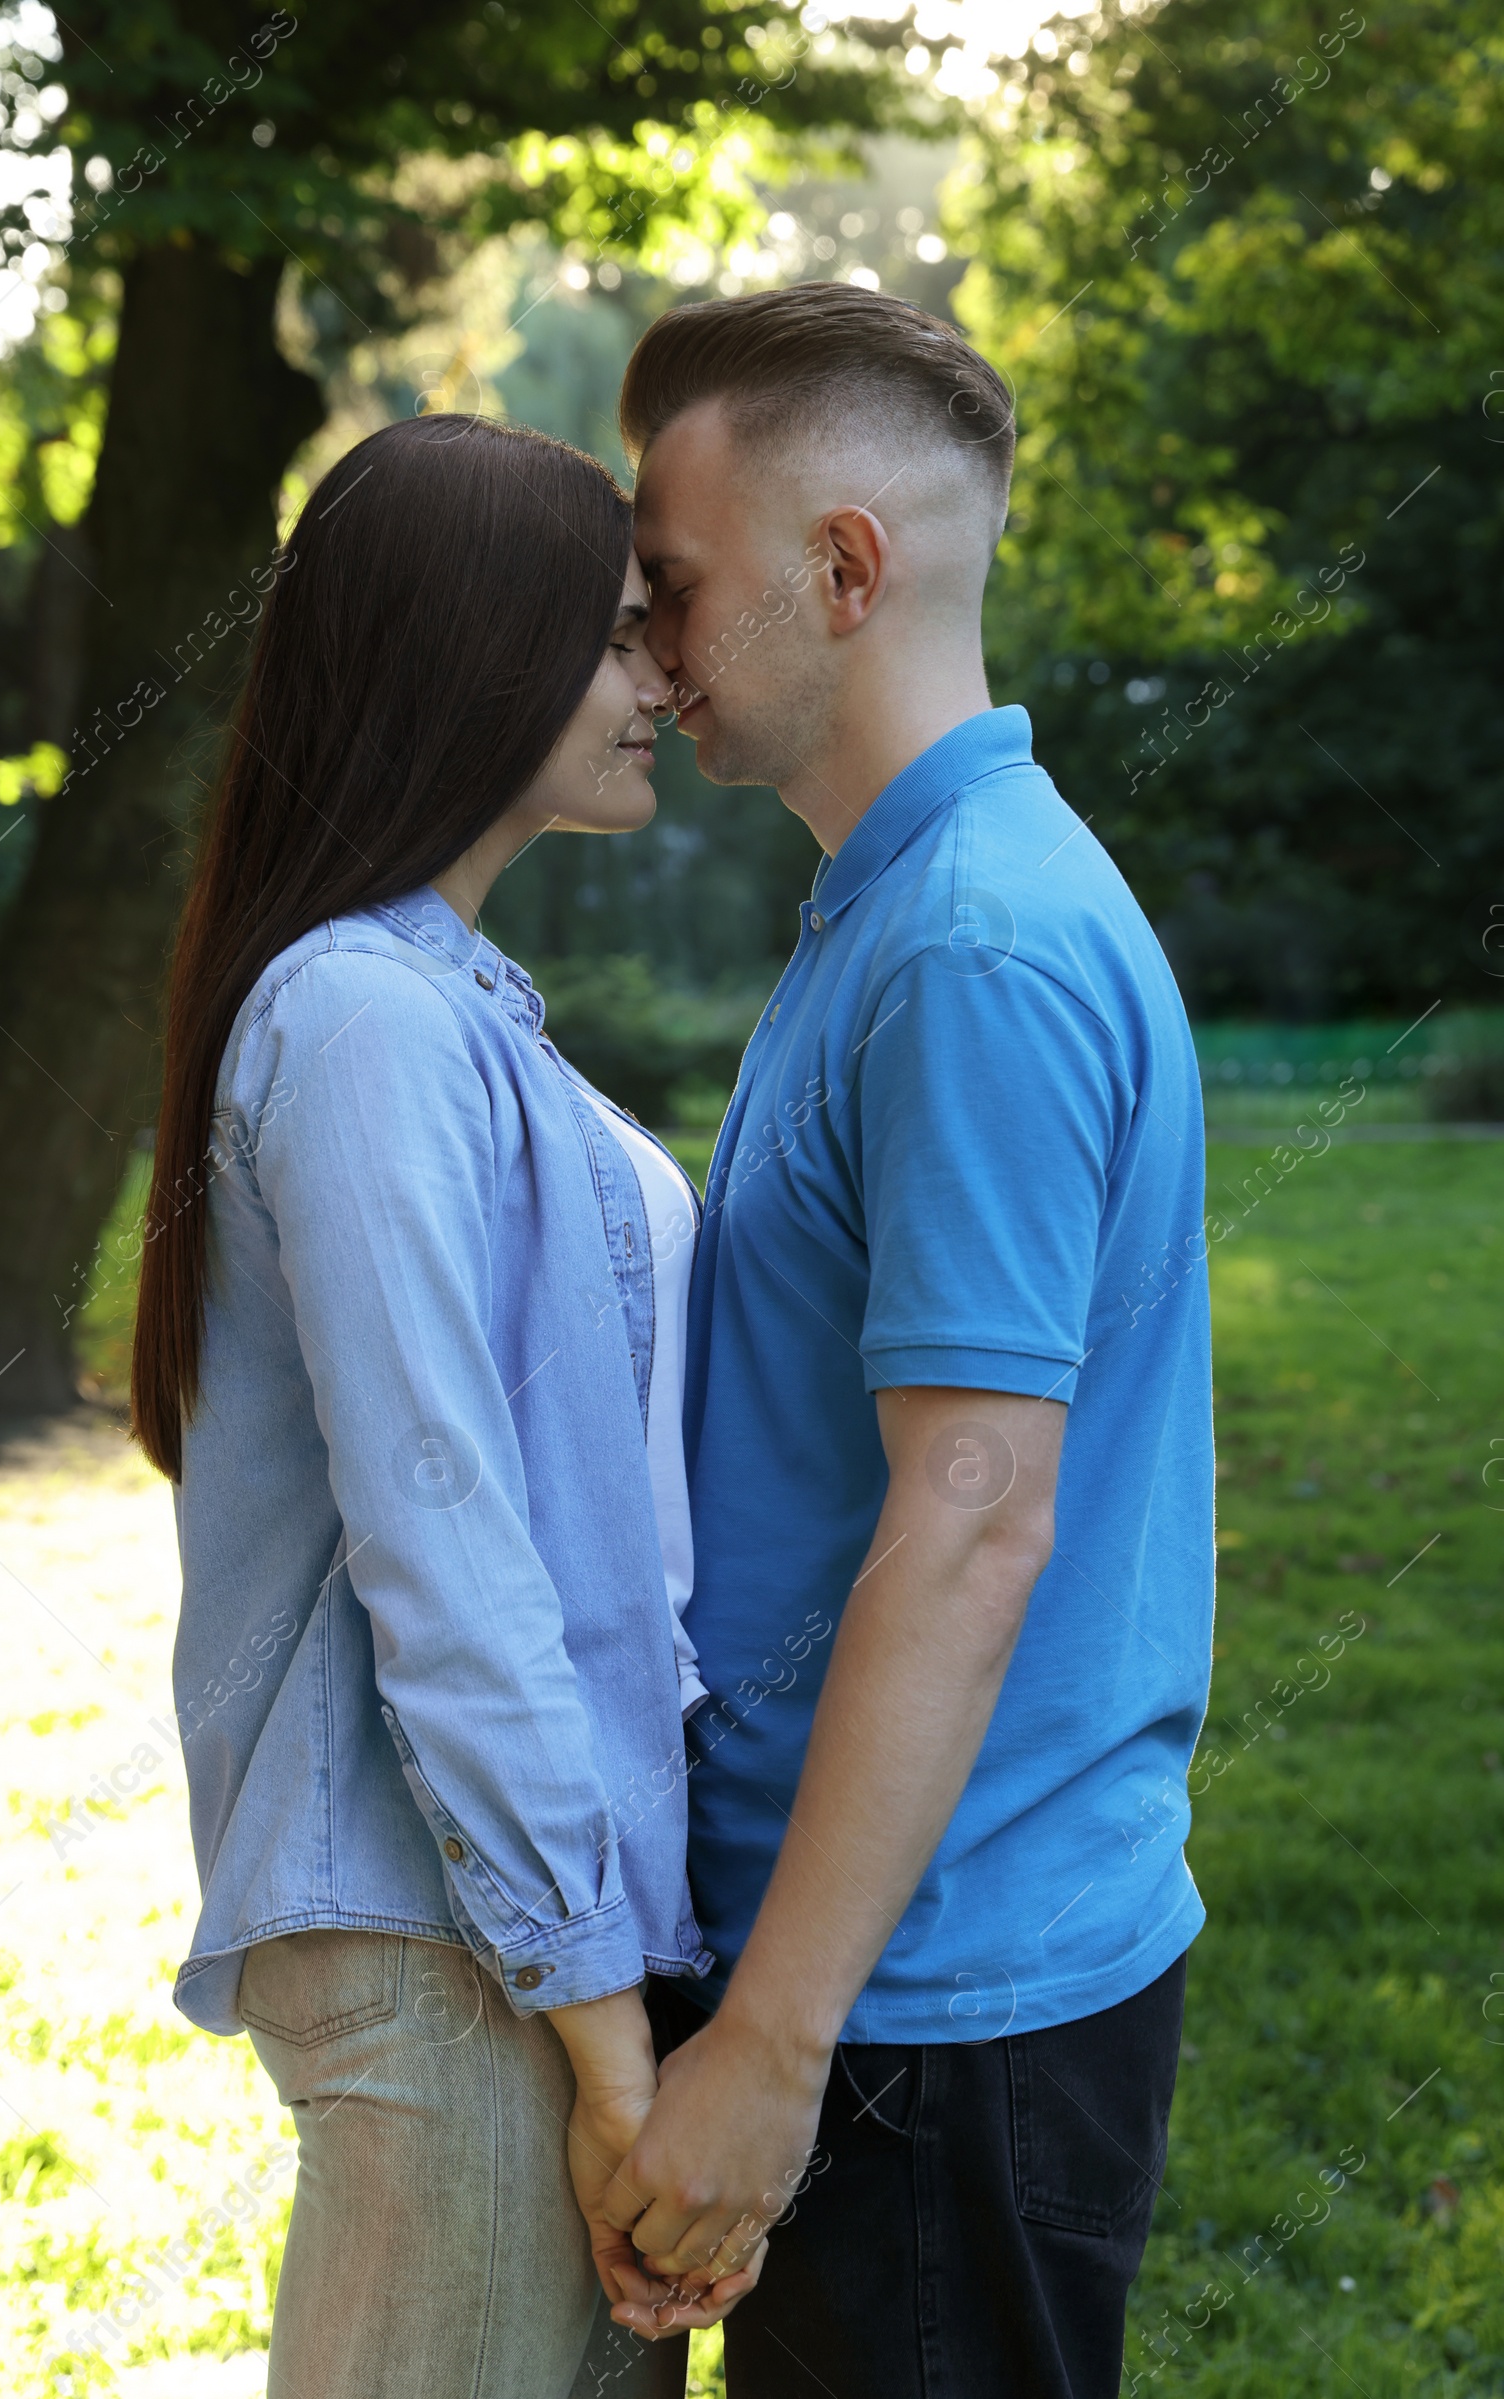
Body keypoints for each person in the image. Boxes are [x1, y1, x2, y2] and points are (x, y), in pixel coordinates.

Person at [600, 284, 1216, 2397]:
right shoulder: (897, 904)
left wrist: (769, 2050)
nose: (643, 648)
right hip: (881, 1980)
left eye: (669, 585)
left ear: (842, 567)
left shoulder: (966, 944)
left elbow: (971, 1524)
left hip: (923, 2015)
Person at [130, 414, 757, 2399]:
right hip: (459, 1956)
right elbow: (442, 1540)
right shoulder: (359, 1022)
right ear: (462, 653)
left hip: (530, 1943)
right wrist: (598, 2038)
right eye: (605, 636)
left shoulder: (445, 1009)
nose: (656, 676)